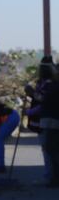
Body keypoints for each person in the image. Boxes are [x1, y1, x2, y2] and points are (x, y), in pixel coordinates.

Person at [26, 59, 59, 187]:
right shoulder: (46, 84)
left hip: (51, 121)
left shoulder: (51, 85)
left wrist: (29, 111)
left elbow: (43, 101)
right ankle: (51, 176)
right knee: (50, 150)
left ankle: (52, 177)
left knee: (50, 150)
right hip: (47, 121)